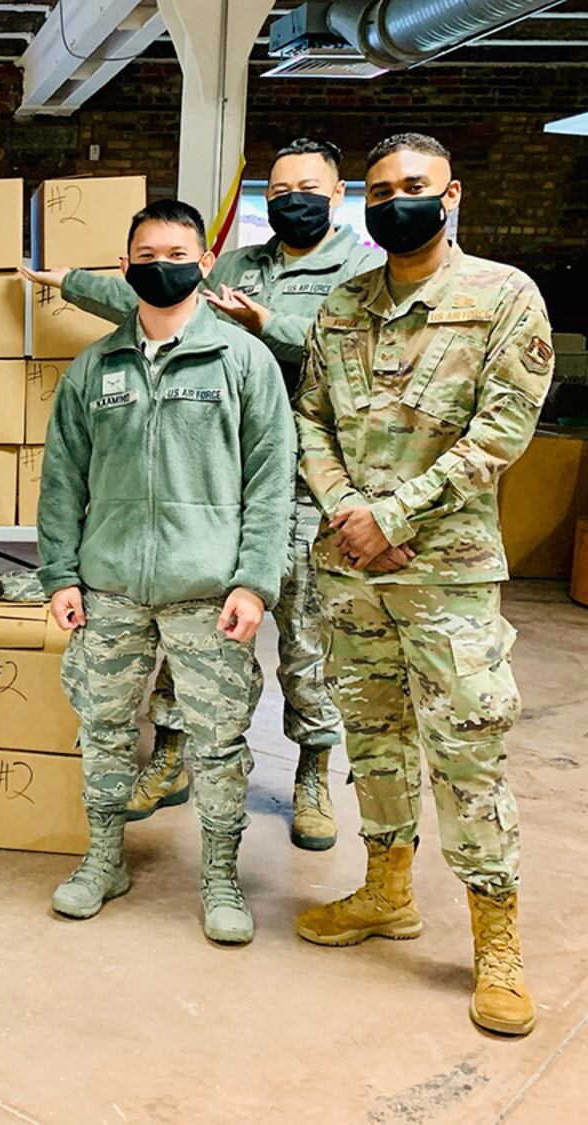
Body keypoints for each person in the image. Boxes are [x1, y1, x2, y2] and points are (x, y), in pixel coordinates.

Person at [24, 139, 382, 851]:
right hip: (208, 468)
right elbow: (163, 290)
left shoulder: (364, 270)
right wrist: (66, 279)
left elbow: (355, 353)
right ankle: (172, 755)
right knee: (193, 624)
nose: (291, 200)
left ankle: (312, 769)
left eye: (306, 186)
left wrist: (264, 325)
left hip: (314, 475)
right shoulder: (242, 263)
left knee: (306, 640)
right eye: (277, 189)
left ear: (338, 193)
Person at [292, 133, 552, 1037]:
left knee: (469, 747)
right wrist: (344, 511)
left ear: (451, 196)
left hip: (446, 576)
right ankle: (387, 891)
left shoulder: (503, 298)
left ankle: (496, 938)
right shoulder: (341, 305)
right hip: (351, 569)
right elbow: (310, 419)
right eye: (379, 189)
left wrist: (391, 517)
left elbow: (501, 435)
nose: (396, 199)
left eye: (414, 186)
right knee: (374, 737)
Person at [37, 200, 295, 944]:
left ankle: (219, 873)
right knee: (106, 729)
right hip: (110, 585)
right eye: (145, 254)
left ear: (204, 262)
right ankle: (104, 857)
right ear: (123, 269)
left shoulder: (242, 361)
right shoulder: (96, 366)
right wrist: (60, 574)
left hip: (207, 591)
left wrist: (254, 581)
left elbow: (271, 480)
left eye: (176, 251)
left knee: (216, 740)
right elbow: (63, 481)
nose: (161, 264)